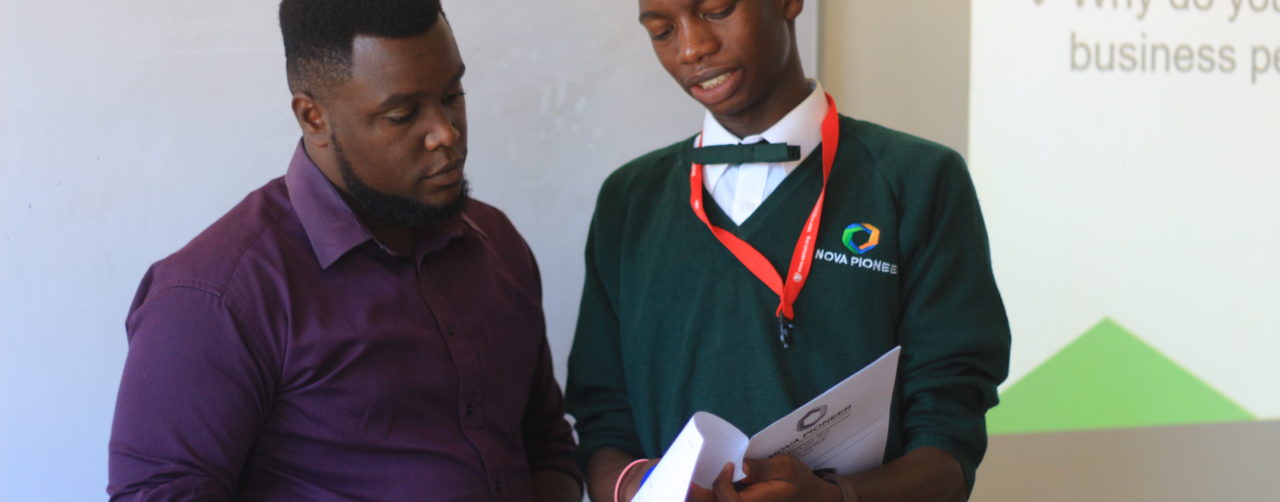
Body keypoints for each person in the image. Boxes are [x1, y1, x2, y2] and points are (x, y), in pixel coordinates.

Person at [107, 1, 582, 500]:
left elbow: (544, 443)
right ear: (313, 117)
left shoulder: (496, 242)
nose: (446, 132)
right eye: (402, 114)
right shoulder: (215, 298)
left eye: (452, 95)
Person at [564, 0, 1011, 501]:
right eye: (663, 31)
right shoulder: (629, 198)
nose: (691, 48)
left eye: (716, 10)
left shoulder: (917, 180)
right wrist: (634, 488)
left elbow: (948, 439)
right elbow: (602, 417)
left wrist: (836, 497)